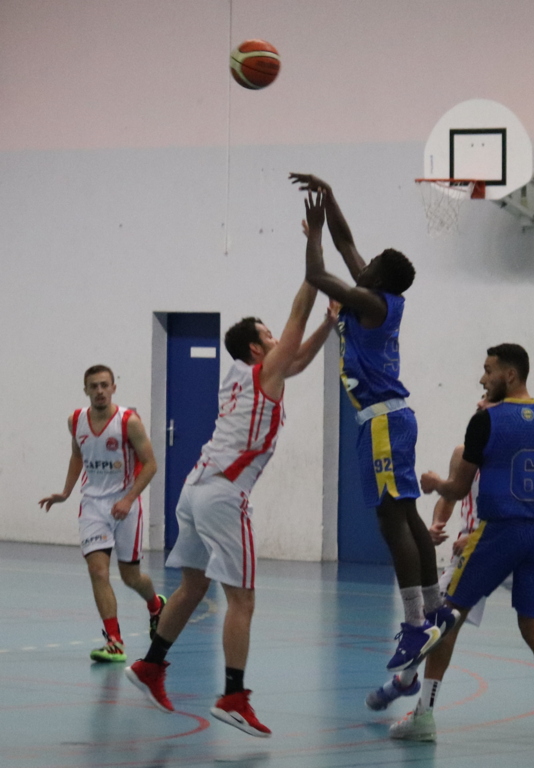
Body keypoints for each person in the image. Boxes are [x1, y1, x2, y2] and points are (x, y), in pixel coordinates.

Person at [125, 203, 337, 738]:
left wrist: (329, 325)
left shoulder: (243, 375)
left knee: (192, 586)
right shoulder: (262, 371)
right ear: (256, 346)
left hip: (193, 489)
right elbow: (298, 314)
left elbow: (297, 359)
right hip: (223, 495)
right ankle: (233, 696)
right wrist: (314, 252)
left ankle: (150, 665)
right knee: (242, 599)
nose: (279, 338)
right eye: (270, 335)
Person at [289, 174, 457, 672]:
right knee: (406, 516)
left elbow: (318, 272)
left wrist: (314, 232)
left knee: (391, 521)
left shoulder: (370, 301)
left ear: (378, 278)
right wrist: (331, 197)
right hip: (391, 417)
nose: (364, 263)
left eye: (372, 264)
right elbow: (348, 244)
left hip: (382, 420)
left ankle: (415, 623)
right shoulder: (378, 294)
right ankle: (434, 607)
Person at [382, 344, 534, 746]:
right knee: (533, 625)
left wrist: (434, 483)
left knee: (447, 618)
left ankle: (423, 716)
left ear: (510, 375)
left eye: (488, 370)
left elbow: (459, 488)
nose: (483, 378)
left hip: (499, 534)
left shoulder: (485, 421)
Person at [367, 439, 534, 738]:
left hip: (513, 544)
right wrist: (437, 523)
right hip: (472, 551)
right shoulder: (465, 451)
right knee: (440, 621)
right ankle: (408, 682)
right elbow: (450, 496)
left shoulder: (526, 442)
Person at [39, 365, 165, 663]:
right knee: (97, 571)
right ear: (86, 390)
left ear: (113, 388)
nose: (99, 391)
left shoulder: (128, 422)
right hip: (93, 506)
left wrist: (128, 499)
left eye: (104, 385)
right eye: (93, 386)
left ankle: (155, 604)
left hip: (125, 506)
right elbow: (77, 455)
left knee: (131, 577)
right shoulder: (76, 421)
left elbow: (150, 464)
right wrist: (66, 492)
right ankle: (114, 642)